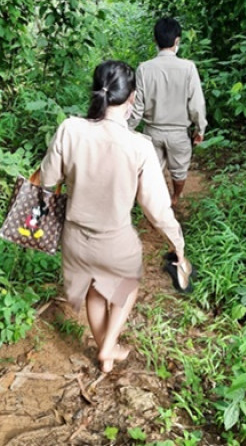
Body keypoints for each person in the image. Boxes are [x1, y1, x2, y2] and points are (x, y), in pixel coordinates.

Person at [40, 60, 192, 373]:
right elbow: (157, 207)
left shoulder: (70, 129)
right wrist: (177, 243)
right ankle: (108, 347)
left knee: (96, 290)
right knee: (128, 286)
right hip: (113, 238)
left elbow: (46, 179)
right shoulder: (139, 146)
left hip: (74, 237)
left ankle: (106, 358)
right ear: (132, 98)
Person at [128, 17, 207, 207]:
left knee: (150, 171)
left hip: (152, 132)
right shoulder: (188, 68)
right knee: (179, 171)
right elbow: (196, 103)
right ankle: (175, 198)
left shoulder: (144, 69)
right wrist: (200, 128)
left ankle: (152, 205)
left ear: (155, 41)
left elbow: (137, 105)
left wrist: (126, 128)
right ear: (177, 41)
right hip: (179, 133)